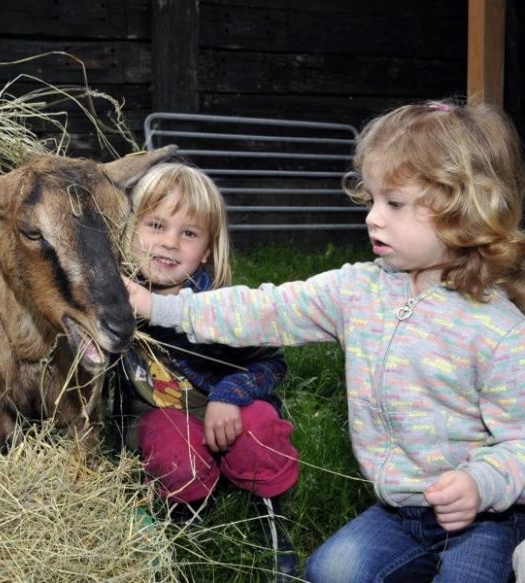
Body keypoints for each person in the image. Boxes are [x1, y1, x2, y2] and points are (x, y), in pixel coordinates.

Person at [123, 100, 525, 583]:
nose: (373, 218)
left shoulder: (498, 329)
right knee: (331, 571)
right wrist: (158, 307)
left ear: (461, 209)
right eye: (372, 199)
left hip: (486, 518)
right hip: (400, 511)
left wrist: (480, 485)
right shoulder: (359, 290)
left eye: (393, 204)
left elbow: (520, 442)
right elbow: (260, 310)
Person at [113, 162, 301, 577]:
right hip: (164, 414)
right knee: (172, 452)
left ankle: (270, 519)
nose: (169, 243)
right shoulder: (115, 298)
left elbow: (272, 361)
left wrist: (229, 394)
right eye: (156, 225)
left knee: (260, 431)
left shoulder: (220, 308)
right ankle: (186, 520)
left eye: (189, 233)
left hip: (227, 409)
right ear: (127, 232)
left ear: (208, 251)